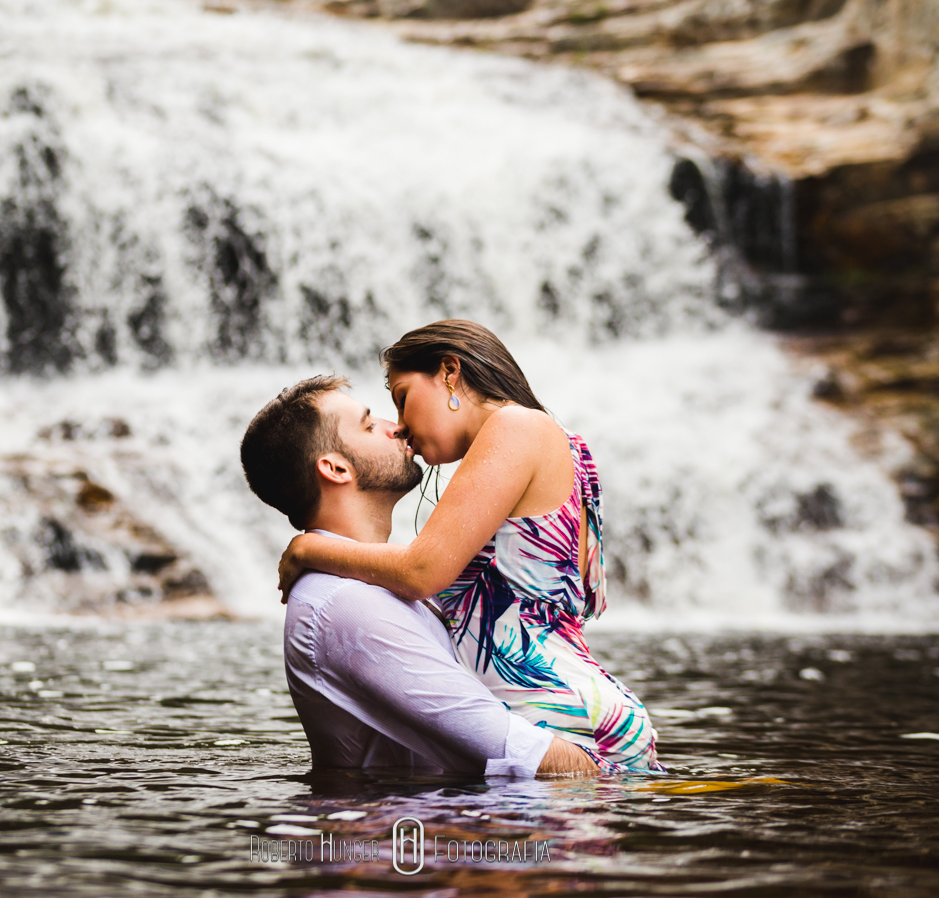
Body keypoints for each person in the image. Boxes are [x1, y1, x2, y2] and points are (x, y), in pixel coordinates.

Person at [277, 321, 663, 773]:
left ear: (449, 372)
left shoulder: (517, 426)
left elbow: (422, 572)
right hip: (559, 708)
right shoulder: (546, 441)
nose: (400, 426)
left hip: (562, 718)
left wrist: (308, 550)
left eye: (402, 398)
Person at [241, 375, 597, 776]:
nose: (398, 427)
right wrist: (632, 785)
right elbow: (519, 754)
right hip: (410, 836)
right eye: (370, 424)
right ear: (336, 468)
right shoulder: (348, 603)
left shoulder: (383, 583)